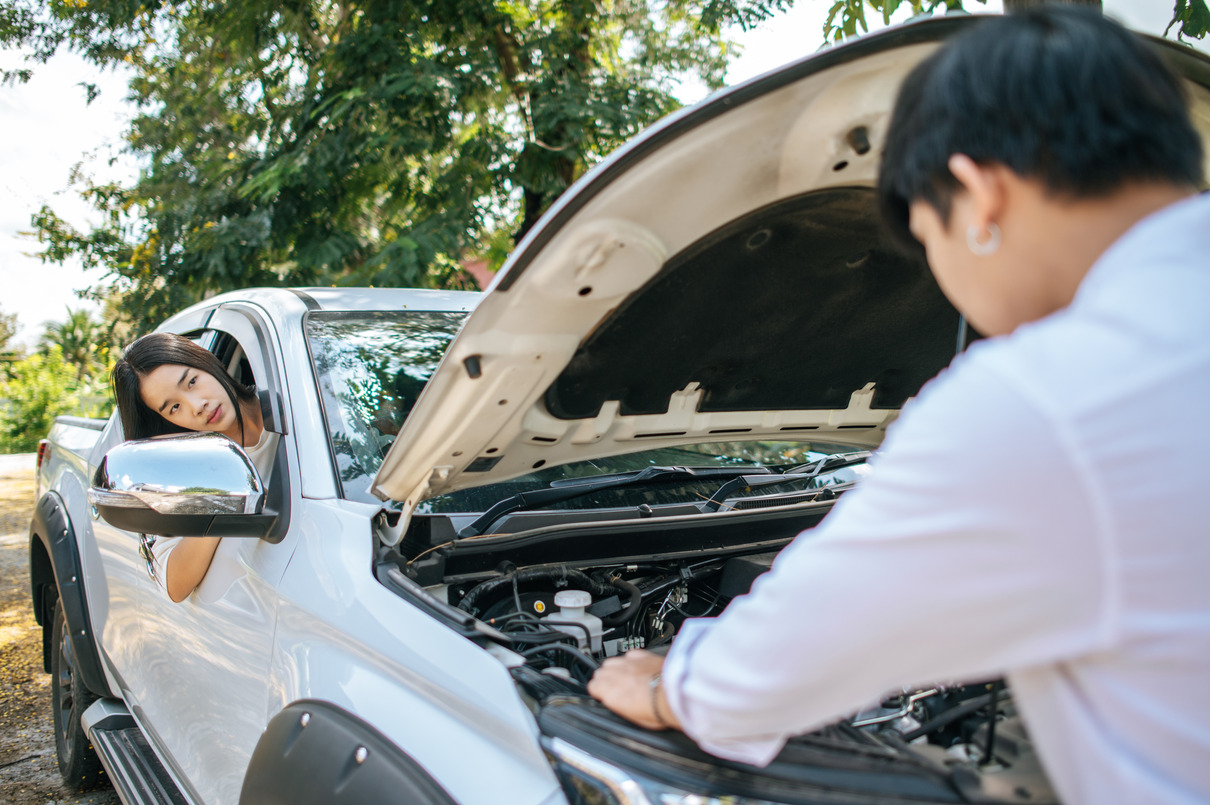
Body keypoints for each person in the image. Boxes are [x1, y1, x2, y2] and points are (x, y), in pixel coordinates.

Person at [587, 8, 1210, 805]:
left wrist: (670, 687)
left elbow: (784, 658)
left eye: (926, 236)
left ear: (978, 196)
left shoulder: (1046, 394)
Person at [113, 332, 279, 602]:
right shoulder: (193, 469)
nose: (198, 405)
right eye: (175, 407)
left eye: (192, 381)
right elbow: (174, 583)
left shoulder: (298, 410)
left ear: (208, 363)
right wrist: (225, 496)